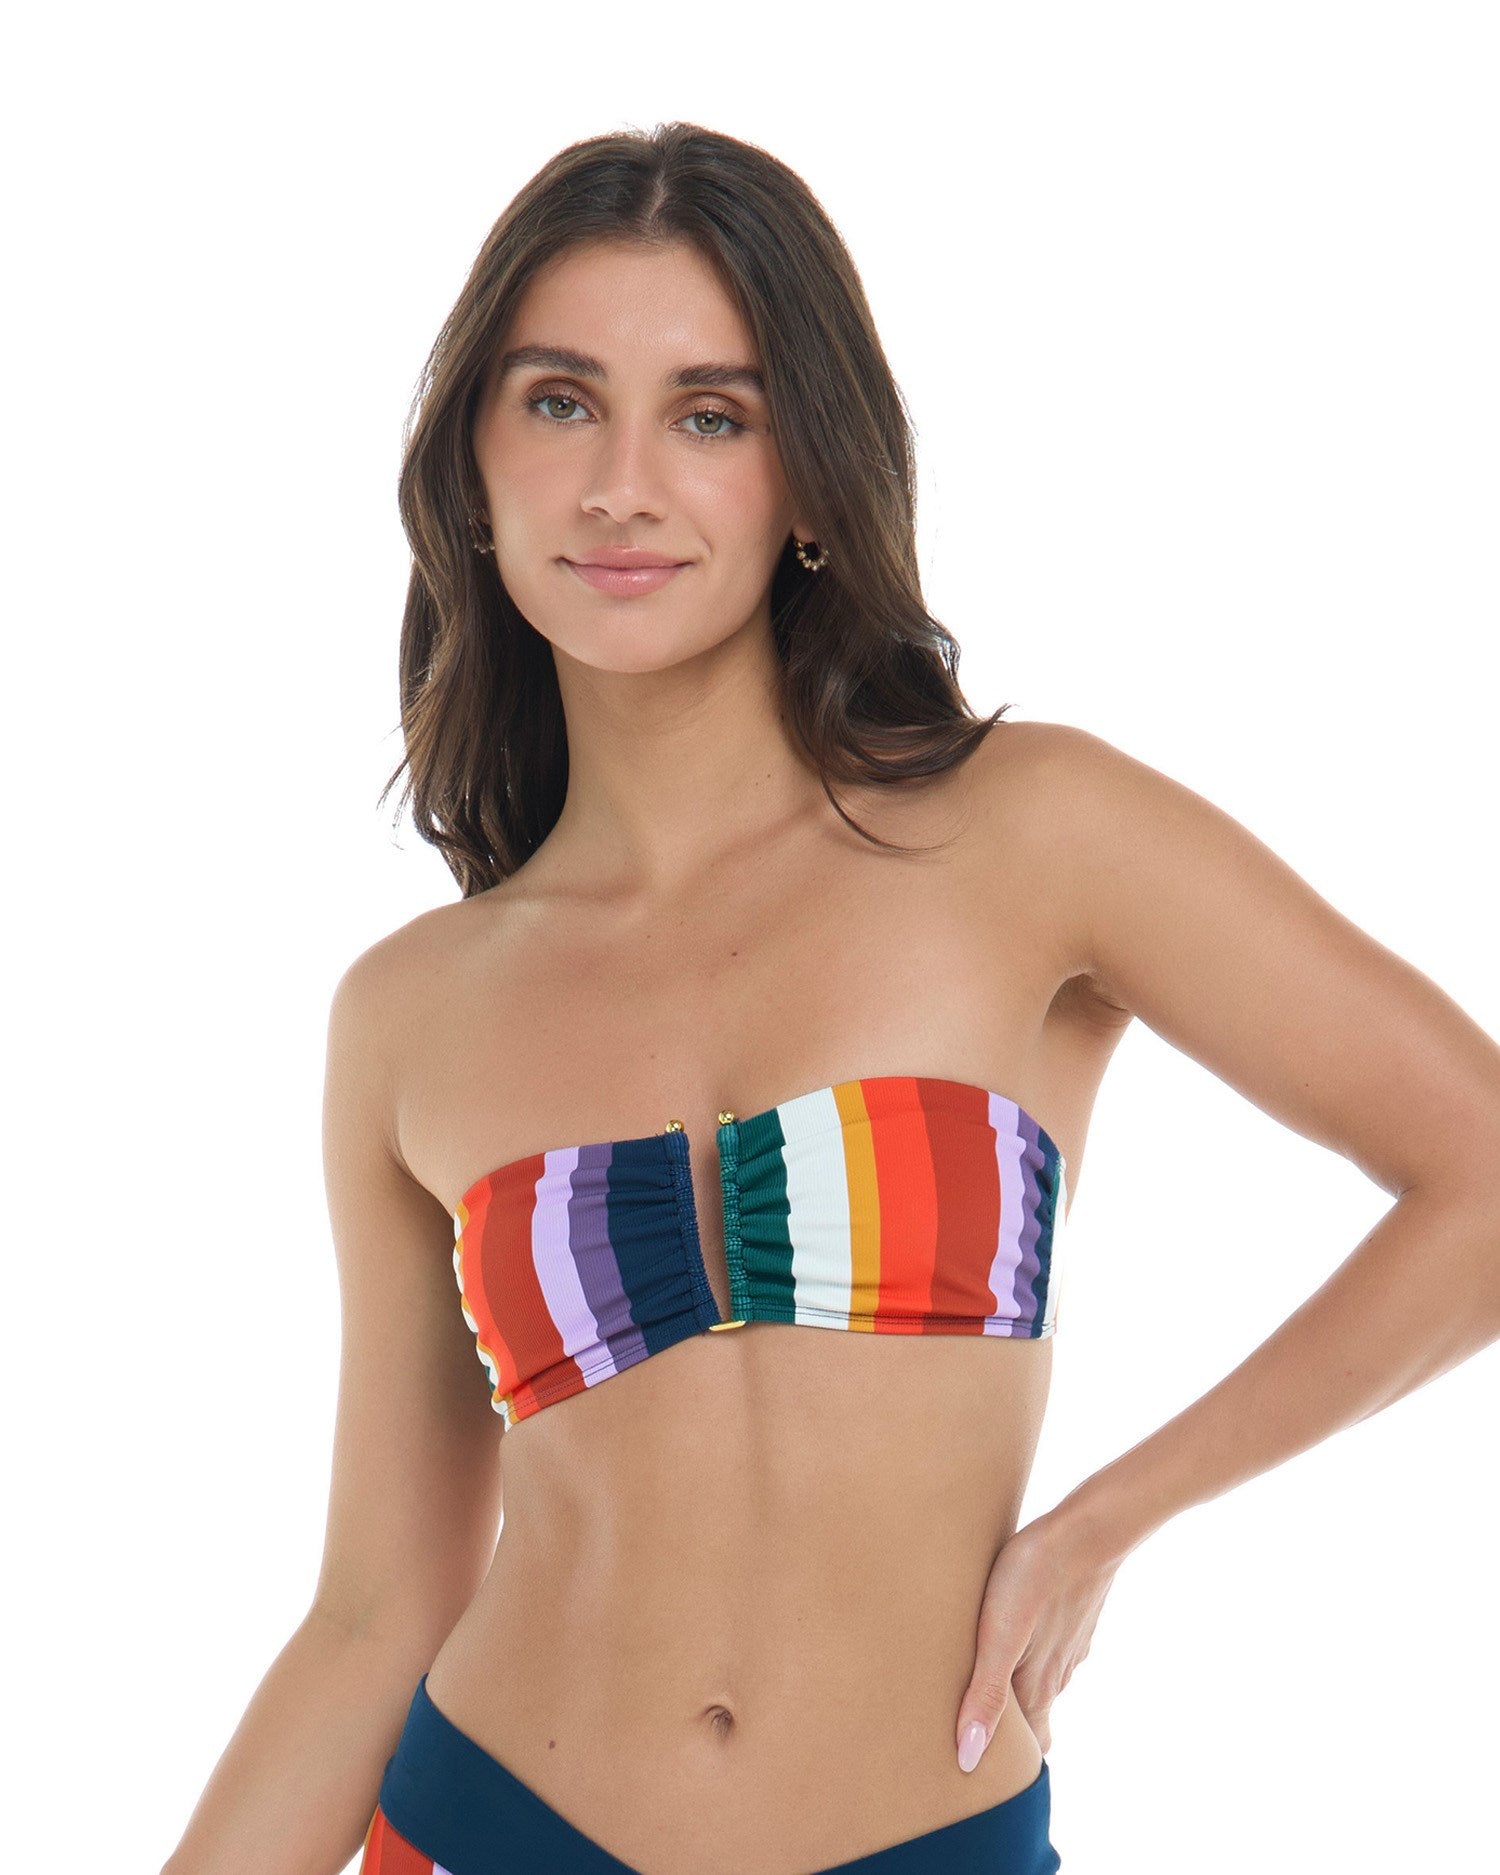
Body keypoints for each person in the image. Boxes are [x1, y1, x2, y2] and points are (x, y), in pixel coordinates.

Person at [162, 122, 1500, 1875]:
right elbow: (371, 1614)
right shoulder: (412, 1011)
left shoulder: (1034, 834)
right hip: (491, 1826)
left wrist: (1106, 1525)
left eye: (709, 416)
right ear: (473, 470)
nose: (622, 484)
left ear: (808, 478)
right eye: (560, 402)